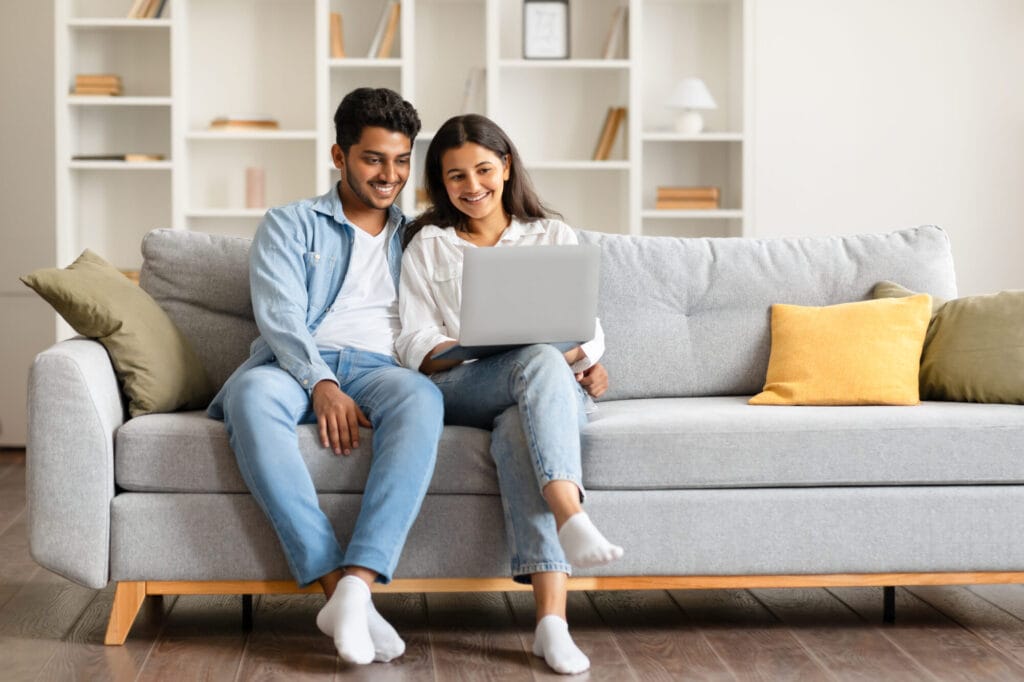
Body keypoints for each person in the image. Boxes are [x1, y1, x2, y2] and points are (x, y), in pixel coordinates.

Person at [207, 88, 443, 666]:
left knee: (423, 401)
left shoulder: (420, 236)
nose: (390, 175)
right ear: (339, 157)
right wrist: (321, 382)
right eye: (373, 159)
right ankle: (334, 592)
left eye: (402, 160)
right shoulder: (290, 224)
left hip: (383, 369)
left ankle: (358, 585)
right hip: (294, 366)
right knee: (251, 397)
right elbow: (281, 317)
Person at [396, 113, 624, 675]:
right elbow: (414, 341)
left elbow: (586, 329)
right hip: (464, 386)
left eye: (482, 170)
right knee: (537, 358)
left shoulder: (552, 234)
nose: (472, 186)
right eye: (455, 177)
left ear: (506, 166)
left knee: (526, 415)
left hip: (538, 388)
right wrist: (486, 347)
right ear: (439, 184)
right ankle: (570, 513)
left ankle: (551, 625)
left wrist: (581, 359)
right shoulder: (429, 245)